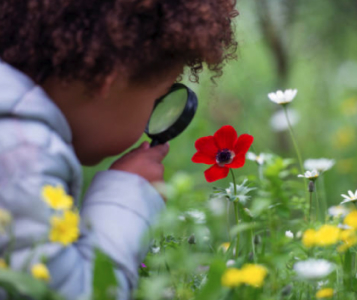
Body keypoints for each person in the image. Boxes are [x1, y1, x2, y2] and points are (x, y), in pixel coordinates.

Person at [0, 0, 238, 299]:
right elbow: (69, 294)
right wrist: (125, 195)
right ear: (108, 78)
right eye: (158, 98)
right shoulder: (23, 153)